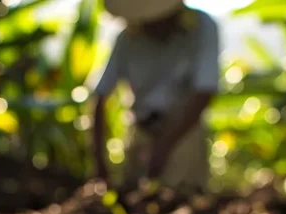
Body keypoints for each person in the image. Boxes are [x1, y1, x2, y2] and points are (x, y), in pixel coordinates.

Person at [91, 0, 221, 194]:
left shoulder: (202, 27)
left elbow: (204, 91)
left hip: (184, 136)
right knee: (136, 199)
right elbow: (100, 96)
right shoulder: (127, 39)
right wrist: (99, 162)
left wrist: (165, 146)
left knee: (183, 201)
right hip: (140, 133)